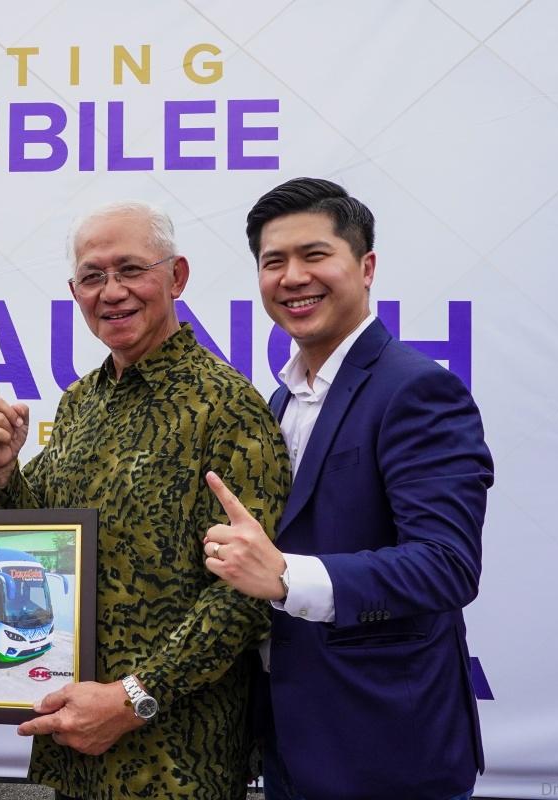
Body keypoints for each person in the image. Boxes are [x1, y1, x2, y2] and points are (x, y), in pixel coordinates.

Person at [0, 202, 289, 799]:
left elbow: (247, 595)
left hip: (176, 762)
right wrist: (3, 470)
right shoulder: (81, 401)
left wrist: (132, 698)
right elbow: (41, 542)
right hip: (76, 744)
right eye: (93, 276)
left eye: (131, 270)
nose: (112, 291)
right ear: (75, 292)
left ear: (176, 277)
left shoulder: (226, 408)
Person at [203, 177, 493, 800]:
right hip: (290, 743)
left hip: (388, 749)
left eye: (315, 255)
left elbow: (446, 566)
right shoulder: (279, 400)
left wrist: (287, 576)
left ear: (366, 267)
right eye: (273, 262)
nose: (292, 277)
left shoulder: (416, 390)